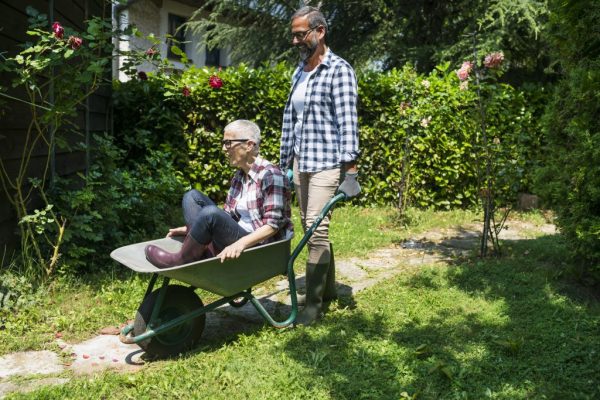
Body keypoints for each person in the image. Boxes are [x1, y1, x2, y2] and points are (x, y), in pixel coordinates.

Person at [280, 6, 361, 325]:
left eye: (301, 34)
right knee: (310, 228)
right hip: (302, 162)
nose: (296, 41)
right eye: (294, 35)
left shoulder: (339, 70)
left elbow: (348, 123)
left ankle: (313, 306)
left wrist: (351, 171)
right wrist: (285, 163)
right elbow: (292, 121)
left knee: (316, 230)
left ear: (320, 31)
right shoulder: (299, 71)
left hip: (327, 164)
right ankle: (328, 291)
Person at [145, 119, 293, 268]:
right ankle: (197, 249)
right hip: (238, 234)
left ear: (249, 145)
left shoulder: (271, 175)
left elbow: (273, 225)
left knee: (211, 213)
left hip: (260, 247)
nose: (224, 148)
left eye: (228, 143)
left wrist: (240, 244)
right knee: (192, 196)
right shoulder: (239, 176)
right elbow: (228, 216)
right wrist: (195, 228)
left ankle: (181, 259)